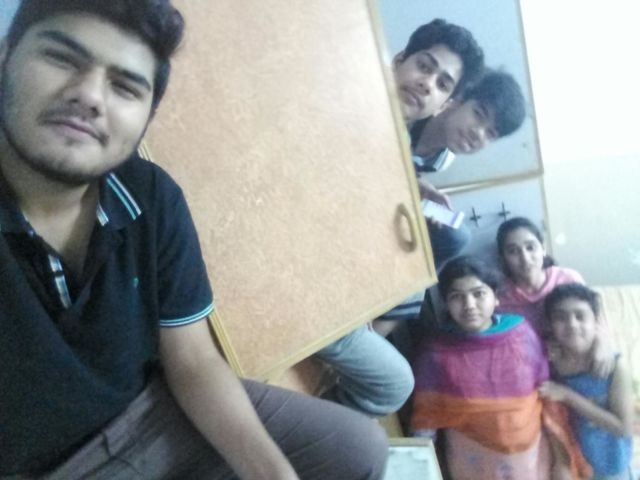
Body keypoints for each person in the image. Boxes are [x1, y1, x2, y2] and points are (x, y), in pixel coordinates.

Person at [0, 1, 388, 478]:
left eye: (125, 86)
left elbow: (194, 360)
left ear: (147, 114)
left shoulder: (150, 195)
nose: (90, 95)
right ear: (6, 56)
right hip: (43, 467)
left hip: (149, 413)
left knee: (357, 447)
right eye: (62, 58)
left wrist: (272, 474)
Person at [315, 19, 484, 416]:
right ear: (399, 60)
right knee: (395, 384)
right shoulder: (352, 96)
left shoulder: (402, 138)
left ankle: (310, 417)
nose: (427, 84)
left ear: (443, 104)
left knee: (422, 273)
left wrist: (409, 184)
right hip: (312, 279)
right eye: (424, 66)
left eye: (442, 84)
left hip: (336, 272)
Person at [410, 256, 589, 479]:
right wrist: (419, 466)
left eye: (478, 294)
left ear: (495, 297)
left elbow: (546, 395)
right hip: (473, 460)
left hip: (531, 457)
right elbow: (426, 415)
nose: (469, 305)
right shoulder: (435, 351)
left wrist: (562, 460)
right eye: (457, 296)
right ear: (446, 303)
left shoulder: (521, 334)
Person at [540, 284, 634, 480]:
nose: (572, 324)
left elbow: (624, 428)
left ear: (596, 321)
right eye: (560, 318)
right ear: (550, 325)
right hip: (573, 460)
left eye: (580, 316)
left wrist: (567, 395)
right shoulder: (551, 363)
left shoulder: (616, 367)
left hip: (609, 463)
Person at [410, 69, 526, 172]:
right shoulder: (411, 115)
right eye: (479, 114)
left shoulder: (440, 163)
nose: (478, 134)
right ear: (459, 100)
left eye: (490, 134)